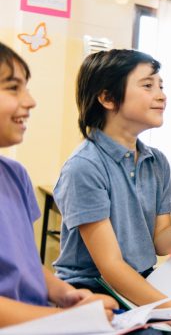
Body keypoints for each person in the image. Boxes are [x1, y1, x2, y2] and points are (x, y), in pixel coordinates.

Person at [52, 49, 171, 335]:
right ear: (108, 98)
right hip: (92, 285)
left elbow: (161, 242)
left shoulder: (156, 160)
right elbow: (110, 267)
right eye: (148, 86)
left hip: (140, 276)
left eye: (161, 86)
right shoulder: (84, 167)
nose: (161, 95)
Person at [0, 42, 117, 327]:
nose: (30, 101)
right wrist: (67, 320)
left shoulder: (14, 174)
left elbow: (25, 263)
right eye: (13, 88)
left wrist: (65, 294)